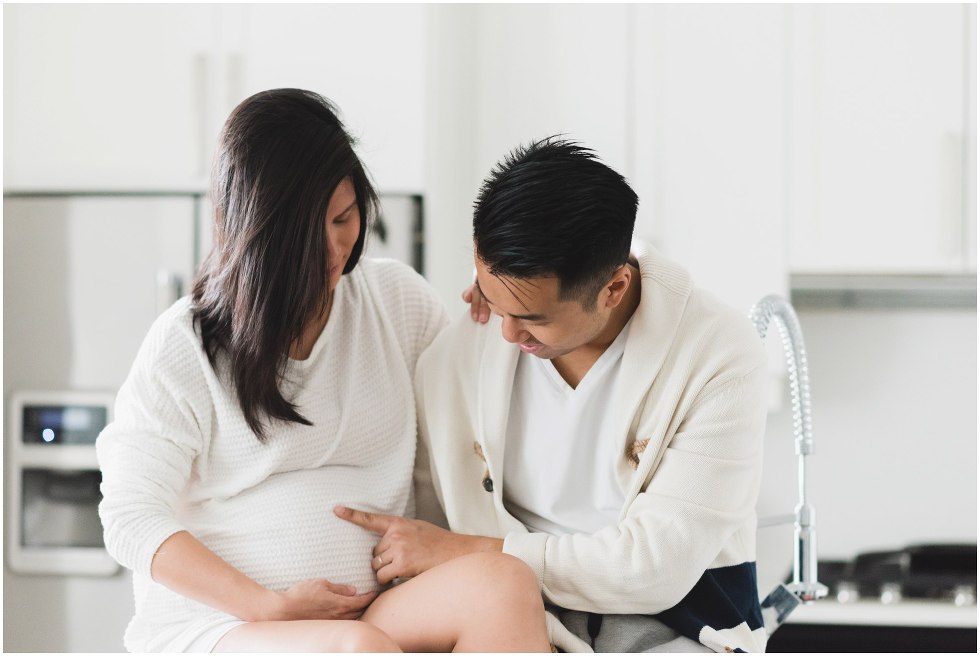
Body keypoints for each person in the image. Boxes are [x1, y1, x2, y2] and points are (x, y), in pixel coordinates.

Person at [96, 89, 552, 653]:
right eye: (307, 230)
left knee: (505, 584)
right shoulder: (187, 343)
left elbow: (475, 412)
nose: (334, 247)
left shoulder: (396, 303)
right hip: (224, 624)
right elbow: (129, 518)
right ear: (257, 231)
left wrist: (495, 306)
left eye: (345, 217)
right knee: (358, 650)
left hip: (376, 609)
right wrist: (264, 606)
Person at [336, 137, 770, 653]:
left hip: (677, 625)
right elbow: (431, 513)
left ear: (613, 288)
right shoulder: (458, 357)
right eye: (494, 301)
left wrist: (471, 552)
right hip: (512, 619)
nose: (506, 335)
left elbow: (654, 568)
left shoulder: (717, 354)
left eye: (532, 319)